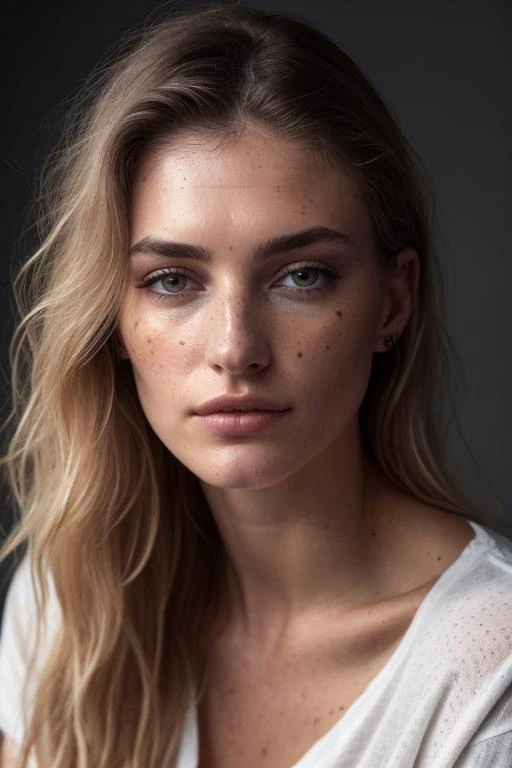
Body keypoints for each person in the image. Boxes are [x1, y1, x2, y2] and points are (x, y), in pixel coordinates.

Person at [0, 3, 511, 767]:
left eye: (301, 276)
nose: (235, 348)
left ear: (392, 301)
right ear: (113, 316)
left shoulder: (488, 674)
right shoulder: (71, 604)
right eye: (172, 280)